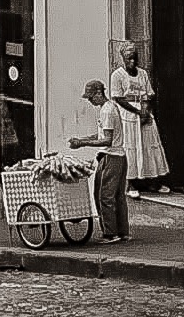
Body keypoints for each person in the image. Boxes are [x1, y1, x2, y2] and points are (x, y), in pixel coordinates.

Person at [70, 79, 131, 243]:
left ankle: (110, 233)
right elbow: (101, 135)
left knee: (104, 196)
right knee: (118, 196)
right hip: (118, 156)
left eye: (90, 97)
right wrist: (81, 139)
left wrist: (82, 143)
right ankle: (122, 231)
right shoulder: (110, 107)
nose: (89, 101)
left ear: (98, 93)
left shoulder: (107, 111)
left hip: (111, 156)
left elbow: (107, 140)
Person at [110, 41, 171, 200]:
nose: (132, 61)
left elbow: (148, 94)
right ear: (123, 57)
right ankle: (130, 183)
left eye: (134, 58)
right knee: (130, 147)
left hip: (144, 113)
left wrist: (145, 111)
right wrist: (137, 111)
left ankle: (152, 180)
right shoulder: (117, 75)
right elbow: (118, 98)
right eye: (129, 58)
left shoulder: (142, 73)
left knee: (149, 146)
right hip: (128, 114)